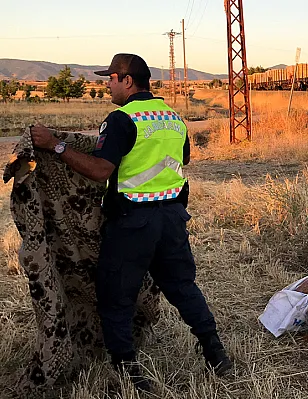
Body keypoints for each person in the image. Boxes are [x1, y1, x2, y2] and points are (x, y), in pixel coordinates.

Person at [29, 53, 233, 392]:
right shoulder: (173, 118)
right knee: (183, 287)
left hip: (134, 222)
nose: (106, 84)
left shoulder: (121, 119)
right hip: (171, 219)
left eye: (110, 78)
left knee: (116, 296)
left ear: (127, 80)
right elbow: (181, 159)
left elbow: (100, 171)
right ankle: (215, 352)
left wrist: (56, 145)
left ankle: (128, 371)